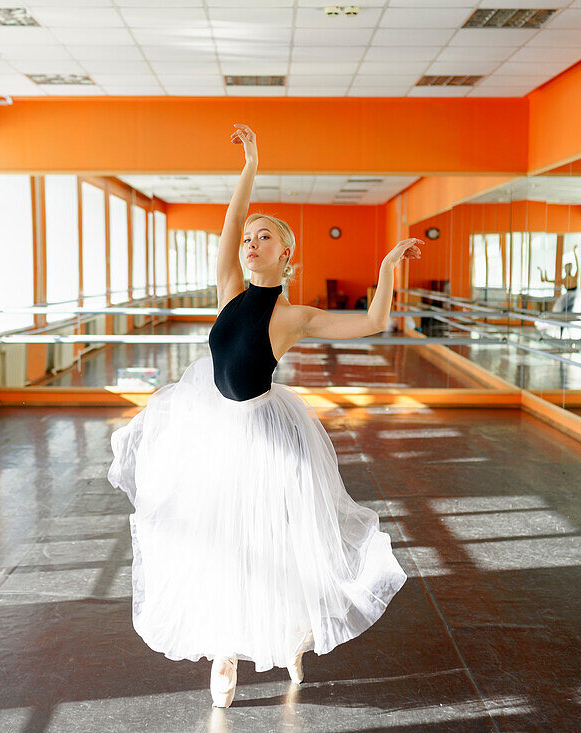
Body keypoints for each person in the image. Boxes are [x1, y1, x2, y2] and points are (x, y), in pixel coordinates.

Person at [107, 123, 419, 708]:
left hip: (269, 436)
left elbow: (374, 322)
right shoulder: (229, 288)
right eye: (248, 236)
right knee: (218, 542)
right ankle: (224, 652)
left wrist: (386, 266)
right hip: (213, 433)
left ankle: (290, 635)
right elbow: (230, 222)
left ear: (286, 252)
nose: (250, 242)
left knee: (276, 542)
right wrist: (250, 167)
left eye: (264, 236)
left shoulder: (295, 315)